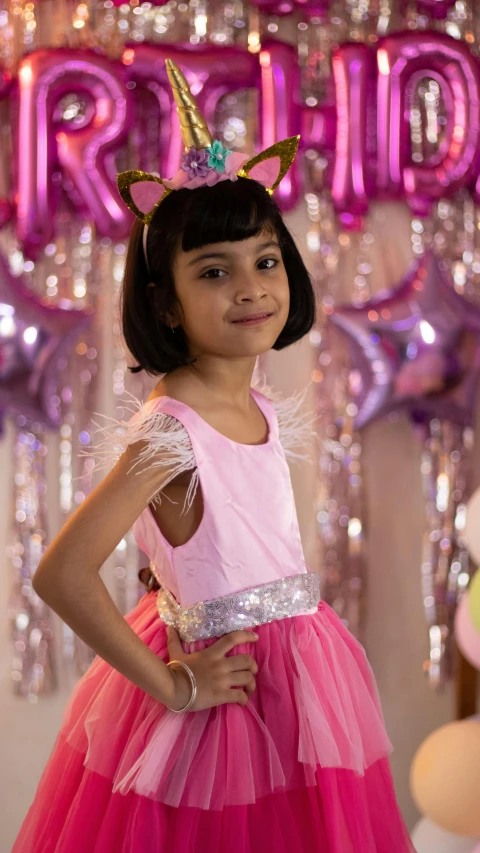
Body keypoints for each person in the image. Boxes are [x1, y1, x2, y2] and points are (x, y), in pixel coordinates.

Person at [12, 59, 417, 853]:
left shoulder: (254, 401)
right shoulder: (174, 428)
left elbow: (204, 538)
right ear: (165, 300)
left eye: (264, 261)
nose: (251, 288)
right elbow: (61, 572)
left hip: (298, 678)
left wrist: (172, 564)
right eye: (213, 272)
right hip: (226, 699)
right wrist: (169, 680)